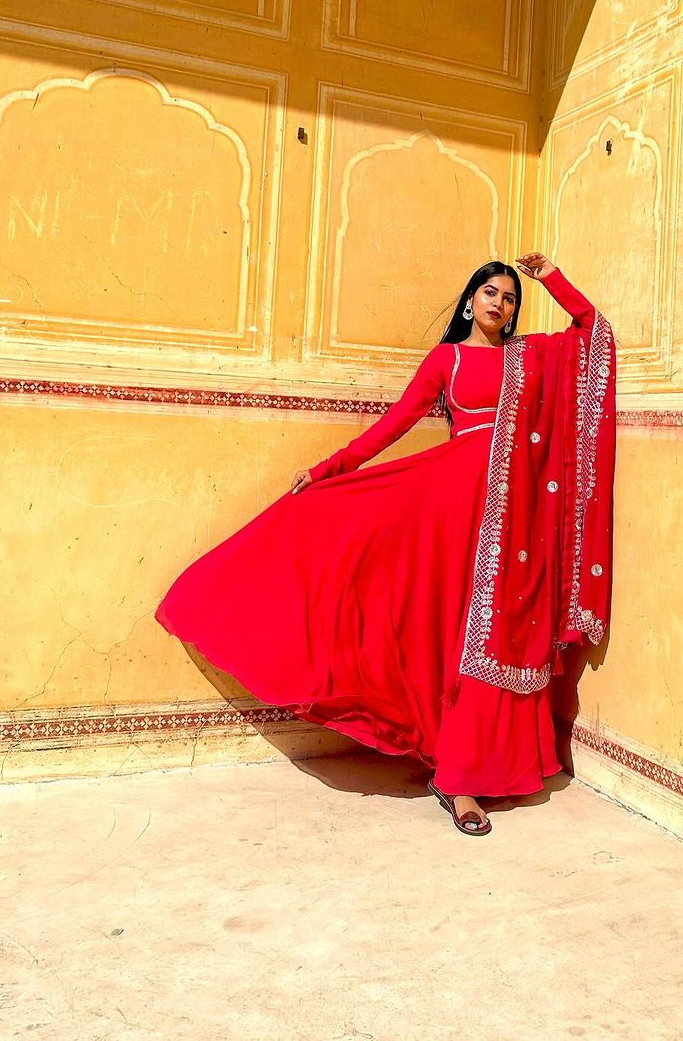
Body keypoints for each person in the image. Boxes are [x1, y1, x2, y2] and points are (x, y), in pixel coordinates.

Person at [155, 251, 616, 835]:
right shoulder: (446, 361)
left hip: (512, 522)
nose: (501, 304)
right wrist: (330, 469)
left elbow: (593, 334)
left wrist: (552, 279)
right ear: (471, 300)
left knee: (499, 639)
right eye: (491, 293)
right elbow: (393, 424)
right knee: (447, 637)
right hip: (448, 514)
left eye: (510, 298)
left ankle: (488, 766)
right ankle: (458, 782)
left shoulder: (532, 360)